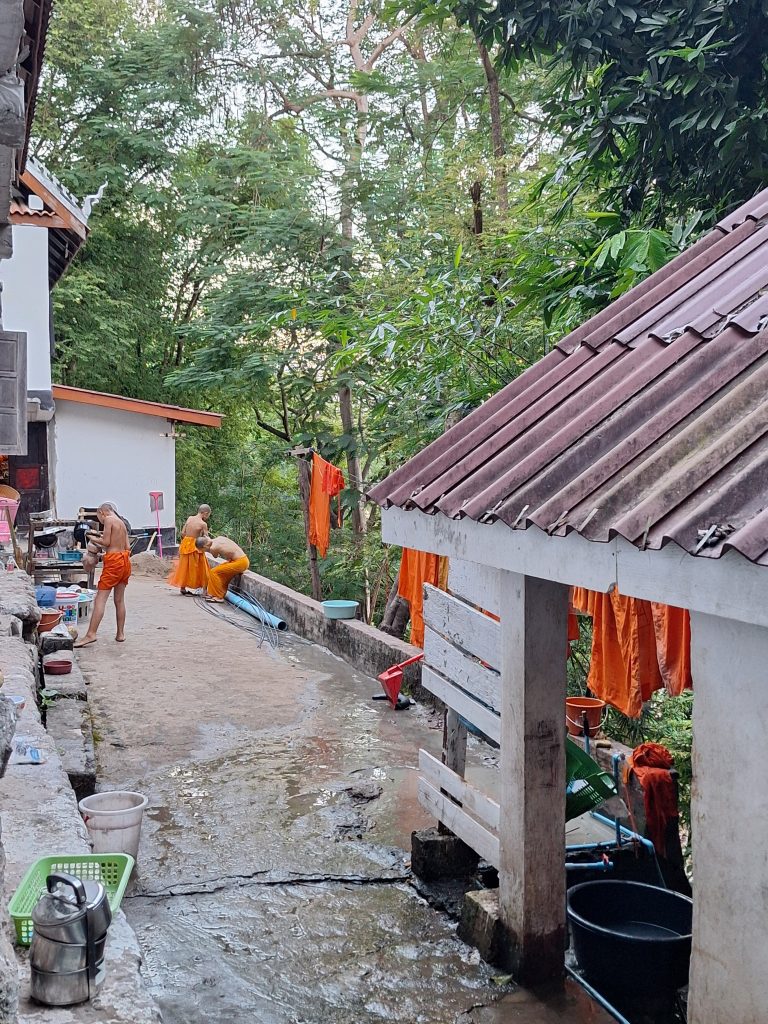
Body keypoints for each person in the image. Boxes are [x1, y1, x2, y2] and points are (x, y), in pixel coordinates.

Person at [74, 503, 131, 647]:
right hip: (124, 561)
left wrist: (92, 538)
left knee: (100, 599)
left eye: (99, 517)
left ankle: (91, 634)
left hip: (113, 564)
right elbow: (127, 547)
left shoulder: (109, 520)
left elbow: (106, 542)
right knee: (119, 600)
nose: (100, 520)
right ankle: (120, 634)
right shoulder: (121, 523)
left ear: (101, 512)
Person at [167, 504, 211, 595]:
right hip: (195, 545)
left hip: (185, 543)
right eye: (208, 515)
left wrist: (188, 539)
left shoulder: (190, 518)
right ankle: (205, 591)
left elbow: (183, 532)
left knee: (184, 566)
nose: (208, 517)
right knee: (202, 566)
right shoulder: (203, 524)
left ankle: (182, 588)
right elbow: (206, 538)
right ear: (205, 513)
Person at [195, 535, 249, 603]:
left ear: (204, 546)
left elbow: (215, 556)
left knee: (214, 572)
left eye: (203, 550)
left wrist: (208, 548)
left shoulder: (213, 548)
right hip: (241, 560)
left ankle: (218, 596)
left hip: (240, 563)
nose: (204, 552)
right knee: (220, 573)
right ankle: (216, 593)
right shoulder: (219, 538)